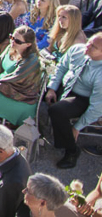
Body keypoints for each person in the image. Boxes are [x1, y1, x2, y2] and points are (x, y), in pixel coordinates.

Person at [44, 32, 102, 169]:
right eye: (89, 41)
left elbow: (97, 107)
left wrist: (77, 127)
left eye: (94, 47)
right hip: (65, 86)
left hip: (83, 97)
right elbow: (61, 67)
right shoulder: (77, 49)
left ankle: (72, 150)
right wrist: (52, 88)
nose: (88, 46)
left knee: (57, 110)